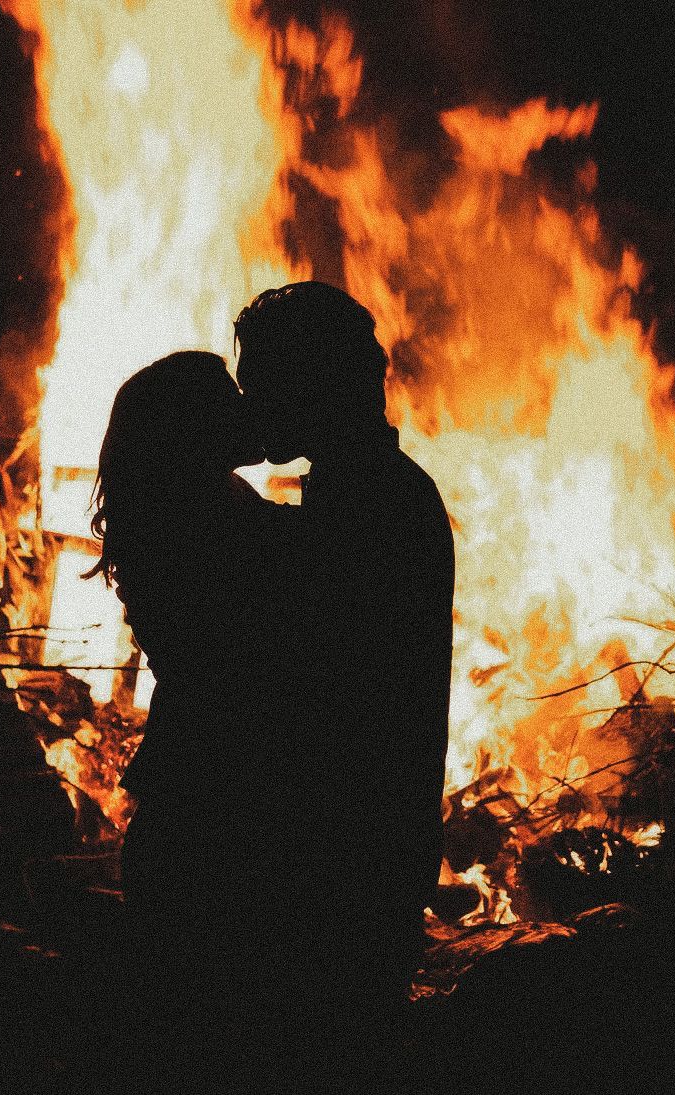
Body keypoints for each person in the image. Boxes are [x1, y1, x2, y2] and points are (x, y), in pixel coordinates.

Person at [234, 282, 455, 1091]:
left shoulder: (370, 511)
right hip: (363, 863)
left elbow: (320, 704)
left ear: (310, 384)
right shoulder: (374, 496)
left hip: (345, 875)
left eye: (262, 382)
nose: (250, 400)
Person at [85, 350, 295, 1090]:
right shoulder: (216, 516)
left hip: (182, 799)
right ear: (194, 428)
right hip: (222, 812)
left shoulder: (165, 517)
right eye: (228, 396)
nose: (247, 403)